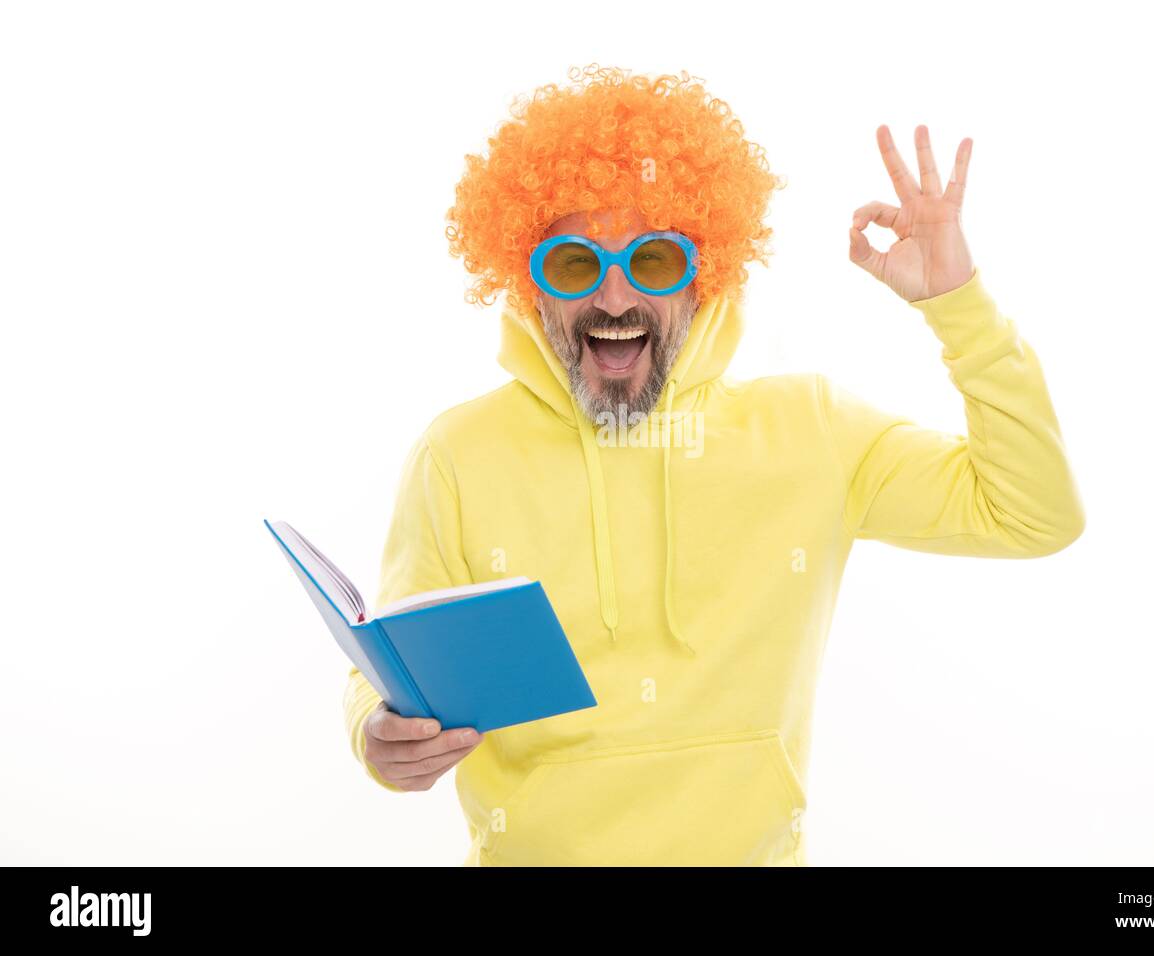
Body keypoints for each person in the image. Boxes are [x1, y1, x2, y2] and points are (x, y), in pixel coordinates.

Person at [343, 64, 1085, 866]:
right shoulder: (457, 456)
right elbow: (393, 663)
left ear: (709, 273)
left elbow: (1033, 513)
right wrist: (374, 733)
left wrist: (959, 306)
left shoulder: (812, 431)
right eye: (573, 263)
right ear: (527, 284)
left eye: (655, 261)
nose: (617, 299)